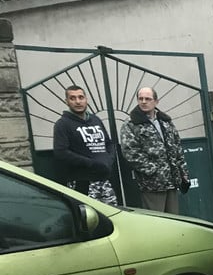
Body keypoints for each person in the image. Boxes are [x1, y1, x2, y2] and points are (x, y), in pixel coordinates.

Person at [120, 86, 189, 214]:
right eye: (140, 99)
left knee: (175, 221)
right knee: (158, 220)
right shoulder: (131, 124)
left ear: (156, 102)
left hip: (172, 182)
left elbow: (177, 147)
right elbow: (130, 153)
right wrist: (154, 170)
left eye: (148, 99)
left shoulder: (165, 121)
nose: (144, 102)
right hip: (152, 184)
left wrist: (182, 173)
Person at [52, 85, 118, 205]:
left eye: (81, 97)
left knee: (113, 216)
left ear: (86, 99)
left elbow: (109, 143)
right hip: (82, 182)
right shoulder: (62, 124)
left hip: (104, 181)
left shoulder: (95, 120)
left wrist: (109, 159)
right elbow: (61, 152)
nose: (78, 101)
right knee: (89, 218)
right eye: (73, 98)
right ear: (66, 101)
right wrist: (91, 163)